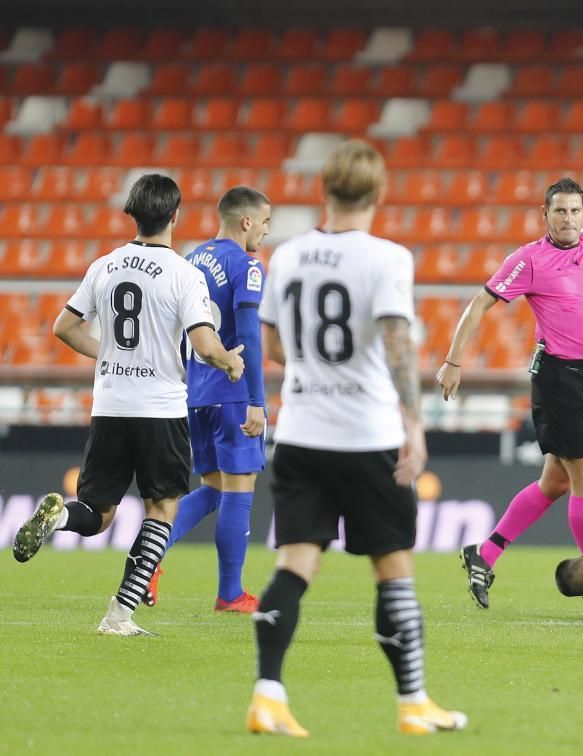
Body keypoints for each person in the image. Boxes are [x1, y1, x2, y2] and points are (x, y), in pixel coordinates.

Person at [248, 140, 466, 738]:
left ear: (325, 188)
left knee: (294, 565)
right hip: (367, 434)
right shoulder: (388, 258)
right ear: (378, 193)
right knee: (393, 570)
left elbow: (271, 347)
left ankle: (267, 694)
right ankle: (413, 702)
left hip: (299, 433)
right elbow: (398, 345)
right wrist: (415, 424)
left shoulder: (287, 256)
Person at [11, 174, 245, 637]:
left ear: (133, 214)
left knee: (97, 515)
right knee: (162, 510)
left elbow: (64, 327)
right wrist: (229, 363)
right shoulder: (184, 273)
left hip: (111, 406)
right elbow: (203, 343)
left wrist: (115, 355)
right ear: (175, 215)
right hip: (159, 409)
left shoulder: (105, 266)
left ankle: (57, 516)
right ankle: (119, 614)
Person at [436, 84, 583, 610]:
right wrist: (453, 362)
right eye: (559, 211)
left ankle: (485, 553)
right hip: (559, 376)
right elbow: (480, 304)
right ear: (544, 215)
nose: (569, 218)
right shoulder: (530, 259)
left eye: (575, 210)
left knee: (556, 482)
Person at [144, 186, 272, 613]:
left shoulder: (192, 259)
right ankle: (231, 593)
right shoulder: (247, 265)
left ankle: (147, 559)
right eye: (266, 222)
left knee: (213, 489)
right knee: (239, 489)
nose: (267, 232)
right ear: (247, 221)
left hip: (195, 393)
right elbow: (250, 334)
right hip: (232, 391)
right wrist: (256, 398)